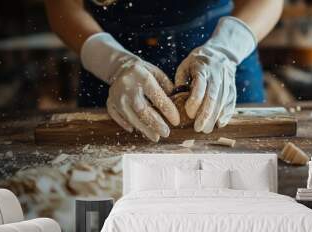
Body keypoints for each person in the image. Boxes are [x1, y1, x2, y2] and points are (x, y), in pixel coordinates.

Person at [45, 0, 284, 142]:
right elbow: (62, 5)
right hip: (109, 50)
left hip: (221, 47)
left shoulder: (224, 51)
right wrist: (113, 62)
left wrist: (225, 50)